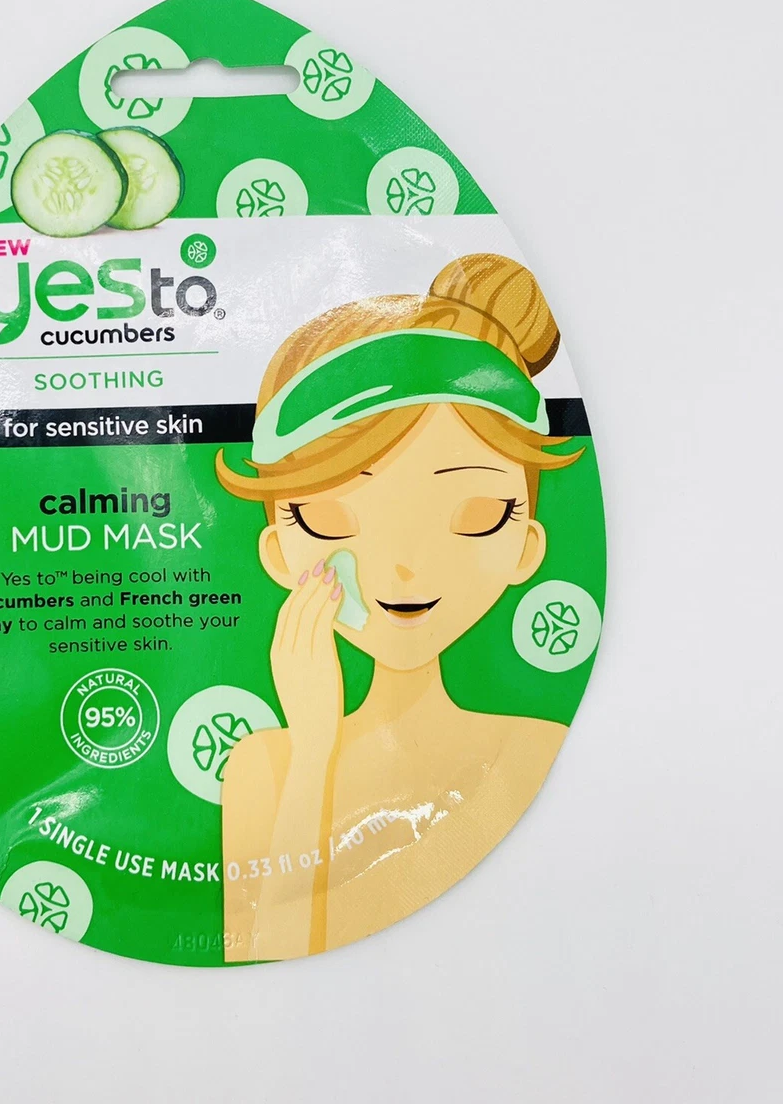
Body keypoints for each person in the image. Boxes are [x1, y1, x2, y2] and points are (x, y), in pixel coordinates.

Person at [216, 253, 583, 960]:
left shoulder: (544, 754)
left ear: (527, 546)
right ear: (278, 553)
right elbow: (265, 961)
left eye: (476, 514)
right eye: (329, 519)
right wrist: (313, 748)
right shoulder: (264, 768)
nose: (404, 564)